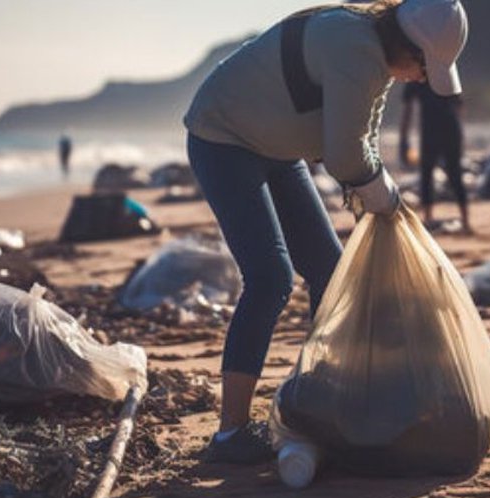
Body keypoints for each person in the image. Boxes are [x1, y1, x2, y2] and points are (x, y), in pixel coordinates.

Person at [182, 0, 468, 464]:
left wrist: (375, 197)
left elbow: (361, 137)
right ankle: (229, 433)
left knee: (329, 272)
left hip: (278, 147)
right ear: (406, 45)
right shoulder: (354, 47)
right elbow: (343, 157)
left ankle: (325, 401)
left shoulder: (377, 59)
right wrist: (382, 194)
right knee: (270, 276)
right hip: (224, 137)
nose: (421, 77)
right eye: (423, 65)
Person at [399, 81, 469, 231]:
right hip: (450, 129)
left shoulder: (414, 73)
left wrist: (403, 139)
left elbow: (408, 111)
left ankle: (429, 220)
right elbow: (459, 105)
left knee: (428, 174)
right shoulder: (444, 69)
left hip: (431, 130)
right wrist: (461, 134)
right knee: (453, 174)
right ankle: (465, 222)